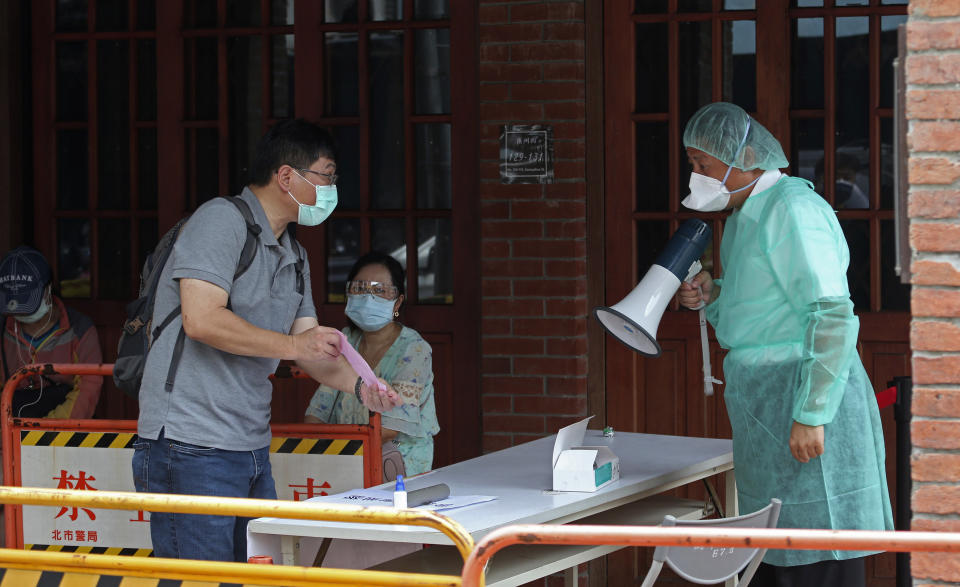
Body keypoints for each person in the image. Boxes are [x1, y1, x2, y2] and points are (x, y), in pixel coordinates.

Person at [132, 119, 401, 562]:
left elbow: (309, 346)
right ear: (286, 176)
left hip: (250, 445)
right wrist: (296, 347)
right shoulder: (220, 220)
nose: (332, 188)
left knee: (256, 574)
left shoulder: (294, 254)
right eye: (327, 175)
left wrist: (362, 386)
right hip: (190, 443)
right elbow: (201, 319)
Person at [676, 102, 893, 586]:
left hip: (805, 401)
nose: (696, 176)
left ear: (745, 156)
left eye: (702, 165)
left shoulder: (794, 209)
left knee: (819, 552)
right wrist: (713, 295)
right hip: (767, 412)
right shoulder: (745, 216)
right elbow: (762, 309)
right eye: (692, 165)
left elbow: (830, 312)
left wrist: (811, 413)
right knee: (773, 555)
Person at [305, 251, 439, 478]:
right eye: (359, 289)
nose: (368, 297)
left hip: (396, 468)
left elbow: (388, 430)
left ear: (398, 302)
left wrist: (333, 448)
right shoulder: (345, 340)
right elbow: (318, 411)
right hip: (343, 459)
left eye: (379, 291)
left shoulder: (415, 348)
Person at [0, 245, 103, 419]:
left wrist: (46, 432)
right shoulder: (3, 329)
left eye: (26, 303)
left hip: (65, 433)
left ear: (48, 290)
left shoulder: (80, 328)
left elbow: (89, 386)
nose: (20, 312)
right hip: (9, 430)